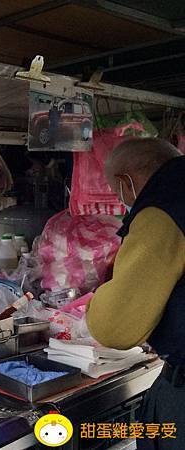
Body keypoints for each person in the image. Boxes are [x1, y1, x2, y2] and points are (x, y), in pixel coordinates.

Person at [86, 138, 185, 450]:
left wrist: (99, 298)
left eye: (118, 194)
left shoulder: (162, 209)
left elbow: (117, 328)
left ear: (125, 183)